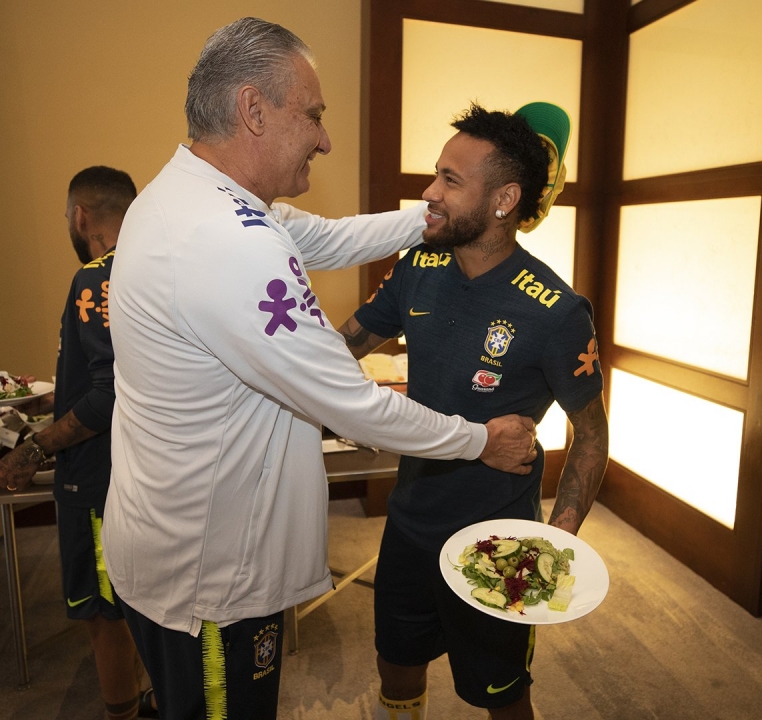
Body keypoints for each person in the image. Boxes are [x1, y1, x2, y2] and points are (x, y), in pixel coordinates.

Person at [101, 17, 537, 720]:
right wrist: (480, 439)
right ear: (253, 109)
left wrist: (431, 214)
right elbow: (352, 403)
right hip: (209, 582)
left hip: (170, 541)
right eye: (313, 115)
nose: (325, 139)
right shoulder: (227, 243)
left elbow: (329, 239)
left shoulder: (202, 198)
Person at [338, 103, 610, 720]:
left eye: (450, 180)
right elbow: (340, 347)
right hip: (410, 522)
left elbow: (591, 437)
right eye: (436, 173)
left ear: (504, 200)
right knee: (395, 665)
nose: (429, 193)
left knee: (501, 695)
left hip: (498, 542)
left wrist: (556, 543)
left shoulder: (557, 311)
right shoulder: (418, 268)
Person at [0, 166, 158, 720]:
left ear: (80, 216)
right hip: (147, 472)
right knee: (144, 601)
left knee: (104, 613)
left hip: (95, 480)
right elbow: (125, 374)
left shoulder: (93, 278)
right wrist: (49, 398)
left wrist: (34, 448)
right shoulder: (154, 266)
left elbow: (108, 393)